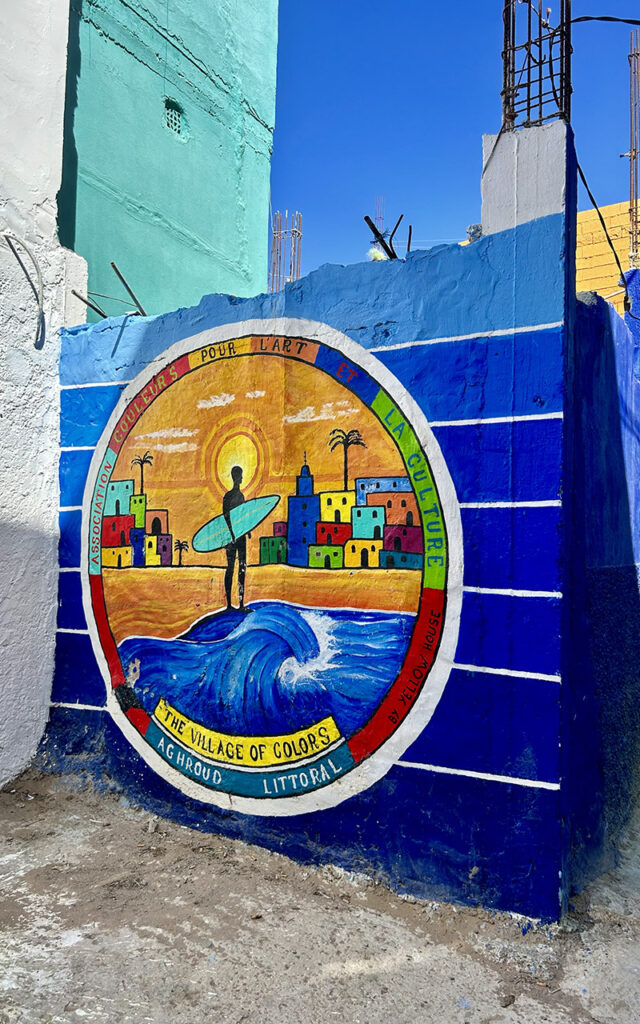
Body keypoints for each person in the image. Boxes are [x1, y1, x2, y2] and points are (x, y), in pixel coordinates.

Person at [222, 465, 246, 611]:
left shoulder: (240, 496)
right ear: (236, 477)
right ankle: (229, 604)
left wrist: (246, 529)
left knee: (242, 568)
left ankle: (241, 604)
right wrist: (232, 533)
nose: (242, 478)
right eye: (240, 475)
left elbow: (242, 515)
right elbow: (226, 516)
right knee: (231, 568)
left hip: (240, 536)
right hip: (232, 538)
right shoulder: (229, 496)